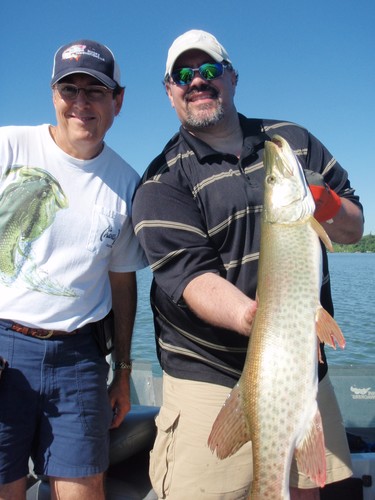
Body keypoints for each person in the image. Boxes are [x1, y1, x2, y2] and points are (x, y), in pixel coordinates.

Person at [132, 29, 364, 499]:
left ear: (232, 77)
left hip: (299, 366)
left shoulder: (292, 142)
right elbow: (192, 278)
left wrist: (325, 204)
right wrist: (258, 319)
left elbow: (354, 226)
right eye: (184, 74)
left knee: (303, 488)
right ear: (169, 90)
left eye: (210, 70)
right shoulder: (160, 182)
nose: (198, 81)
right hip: (208, 374)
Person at [0, 39, 147, 499]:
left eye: (96, 91)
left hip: (80, 358)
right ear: (52, 95)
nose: (80, 104)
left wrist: (122, 370)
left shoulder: (126, 183)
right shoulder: (8, 146)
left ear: (118, 101)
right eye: (70, 90)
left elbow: (123, 281)